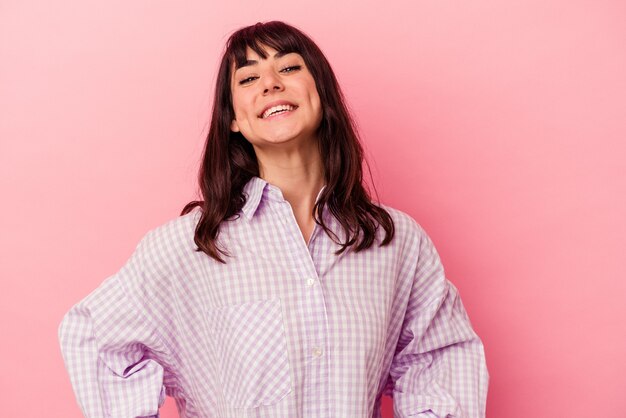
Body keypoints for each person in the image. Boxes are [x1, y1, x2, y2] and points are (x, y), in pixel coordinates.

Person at [58, 20, 489, 418]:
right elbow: (93, 337)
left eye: (288, 67)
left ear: (321, 92)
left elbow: (440, 361)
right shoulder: (188, 247)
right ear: (232, 119)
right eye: (248, 78)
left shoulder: (395, 243)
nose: (270, 83)